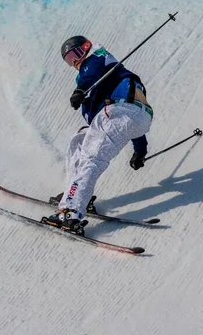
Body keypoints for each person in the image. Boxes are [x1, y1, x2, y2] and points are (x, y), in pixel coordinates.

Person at [45, 35, 153, 234]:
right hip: (134, 116)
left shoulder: (96, 57)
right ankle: (73, 193)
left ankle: (70, 211)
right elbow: (133, 120)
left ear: (86, 47)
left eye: (76, 54)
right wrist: (140, 149)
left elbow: (90, 72)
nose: (75, 61)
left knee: (91, 157)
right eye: (70, 60)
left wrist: (80, 89)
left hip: (119, 113)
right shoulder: (110, 78)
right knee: (79, 141)